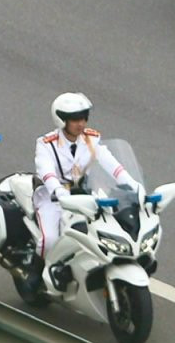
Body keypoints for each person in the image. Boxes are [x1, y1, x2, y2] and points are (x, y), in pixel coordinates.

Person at [33, 92, 133, 291]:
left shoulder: (91, 139)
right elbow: (46, 171)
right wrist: (59, 191)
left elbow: (110, 163)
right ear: (62, 120)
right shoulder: (46, 143)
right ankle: (36, 274)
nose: (81, 124)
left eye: (83, 118)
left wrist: (131, 183)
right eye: (75, 119)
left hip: (83, 194)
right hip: (53, 198)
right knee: (50, 239)